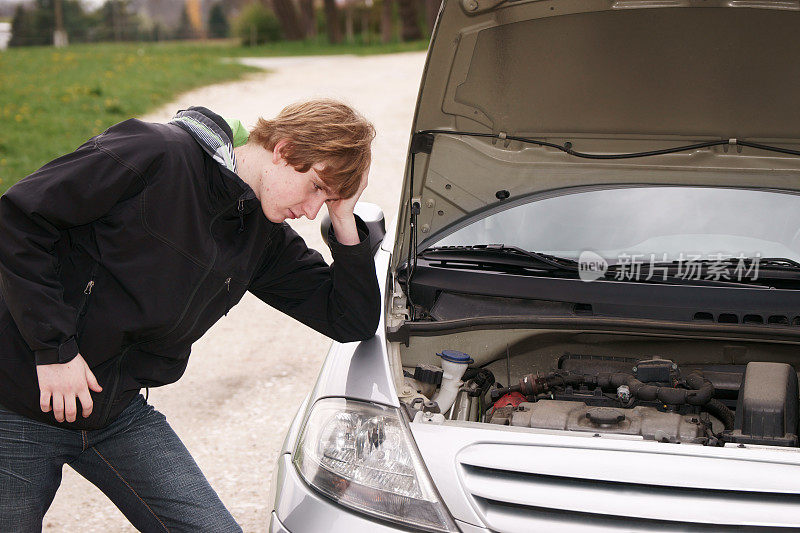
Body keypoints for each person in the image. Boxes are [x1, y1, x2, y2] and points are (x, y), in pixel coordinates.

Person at [0, 101, 381, 532]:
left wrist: (345, 220)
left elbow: (351, 320)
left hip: (115, 413)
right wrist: (53, 350)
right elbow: (18, 218)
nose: (313, 212)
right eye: (314, 188)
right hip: (19, 402)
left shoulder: (263, 237)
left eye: (326, 201)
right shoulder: (155, 152)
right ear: (283, 149)